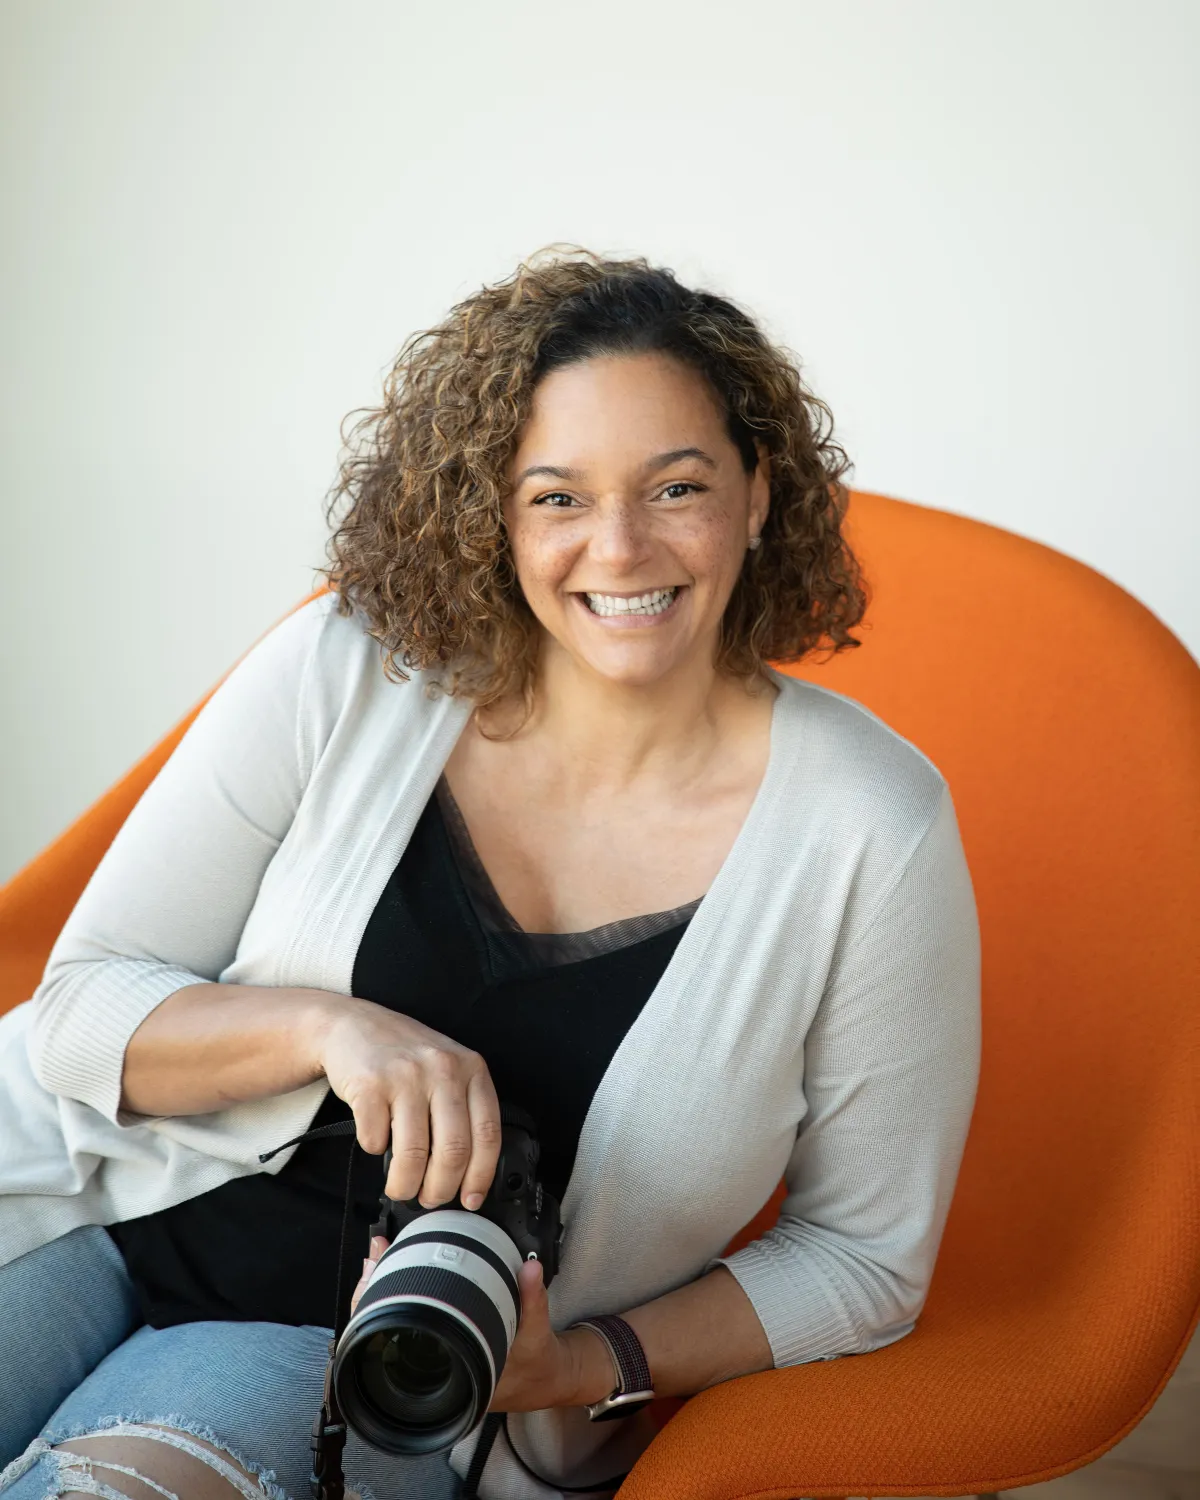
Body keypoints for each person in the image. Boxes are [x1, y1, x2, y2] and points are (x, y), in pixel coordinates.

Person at [0, 250, 981, 1500]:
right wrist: (328, 1031)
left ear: (758, 495)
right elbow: (81, 1010)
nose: (619, 548)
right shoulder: (350, 668)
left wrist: (579, 1364)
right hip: (76, 1201)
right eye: (556, 497)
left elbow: (863, 1258)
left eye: (676, 487)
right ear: (493, 516)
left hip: (347, 1362)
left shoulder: (869, 828)